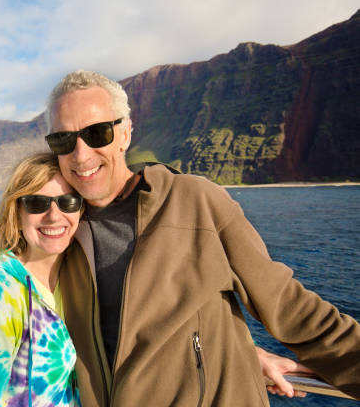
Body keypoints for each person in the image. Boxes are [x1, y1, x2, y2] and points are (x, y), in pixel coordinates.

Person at [45, 70, 360, 406]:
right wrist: (245, 350)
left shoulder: (195, 201)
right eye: (64, 139)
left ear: (124, 134)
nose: (80, 154)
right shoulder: (57, 233)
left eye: (97, 133)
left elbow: (289, 306)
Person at [0, 153, 83, 407]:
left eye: (67, 202)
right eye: (37, 203)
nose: (54, 215)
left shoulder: (75, 279)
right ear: (17, 213)